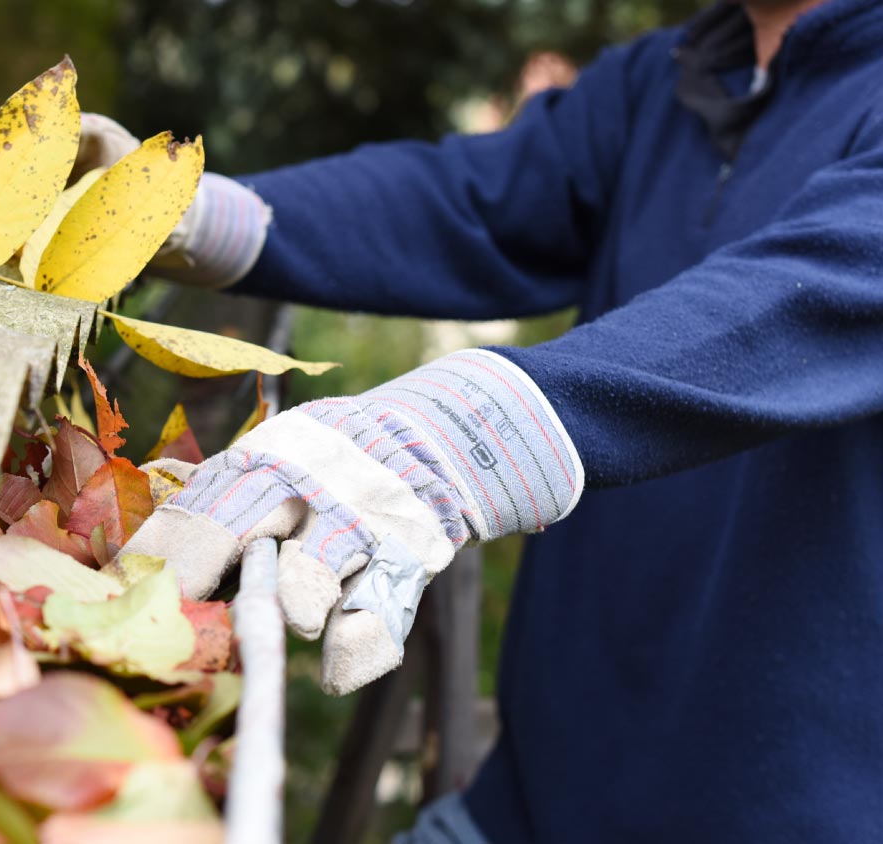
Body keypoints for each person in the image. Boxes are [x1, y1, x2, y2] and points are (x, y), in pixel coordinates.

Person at [82, 0, 883, 841]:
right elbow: (471, 201)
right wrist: (192, 215)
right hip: (525, 808)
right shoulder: (674, 76)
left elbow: (817, 289)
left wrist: (464, 435)